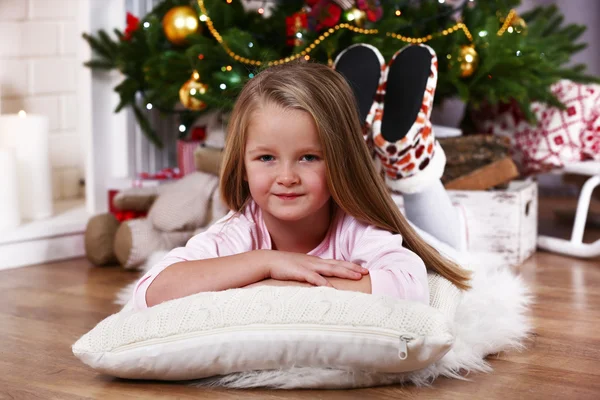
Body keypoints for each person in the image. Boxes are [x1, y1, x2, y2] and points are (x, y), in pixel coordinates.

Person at [131, 59, 471, 311]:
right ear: (242, 165)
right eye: (266, 158)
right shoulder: (238, 231)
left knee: (451, 253)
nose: (287, 177)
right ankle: (361, 131)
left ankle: (410, 165)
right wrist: (265, 262)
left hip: (430, 225)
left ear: (337, 160)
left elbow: (410, 287)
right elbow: (150, 291)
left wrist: (271, 285)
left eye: (308, 157)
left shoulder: (356, 225)